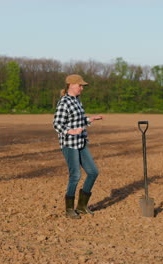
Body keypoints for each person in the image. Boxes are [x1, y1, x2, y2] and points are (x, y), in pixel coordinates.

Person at [53, 74, 104, 219]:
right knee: (75, 175)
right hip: (69, 144)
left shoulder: (77, 101)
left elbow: (79, 119)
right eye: (80, 85)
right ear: (71, 85)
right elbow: (57, 124)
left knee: (93, 172)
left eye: (82, 86)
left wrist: (90, 119)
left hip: (81, 142)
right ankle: (69, 209)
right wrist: (71, 131)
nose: (82, 88)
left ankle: (81, 206)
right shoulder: (64, 103)